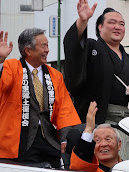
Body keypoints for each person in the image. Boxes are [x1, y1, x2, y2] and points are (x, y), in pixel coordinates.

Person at [64, 0, 129, 124]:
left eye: (121, 24)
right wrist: (83, 21)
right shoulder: (92, 48)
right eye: (112, 23)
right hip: (103, 121)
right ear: (100, 27)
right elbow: (74, 48)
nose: (118, 27)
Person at [0, 30, 81, 168]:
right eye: (43, 46)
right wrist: (0, 60)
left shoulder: (56, 75)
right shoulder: (11, 67)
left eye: (47, 45)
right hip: (18, 139)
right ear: (28, 50)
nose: (47, 50)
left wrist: (64, 138)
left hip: (48, 138)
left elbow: (64, 109)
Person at [70, 102, 122, 172]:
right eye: (98, 140)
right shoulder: (89, 169)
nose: (103, 144)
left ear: (119, 145)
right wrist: (89, 129)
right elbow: (79, 166)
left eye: (108, 139)